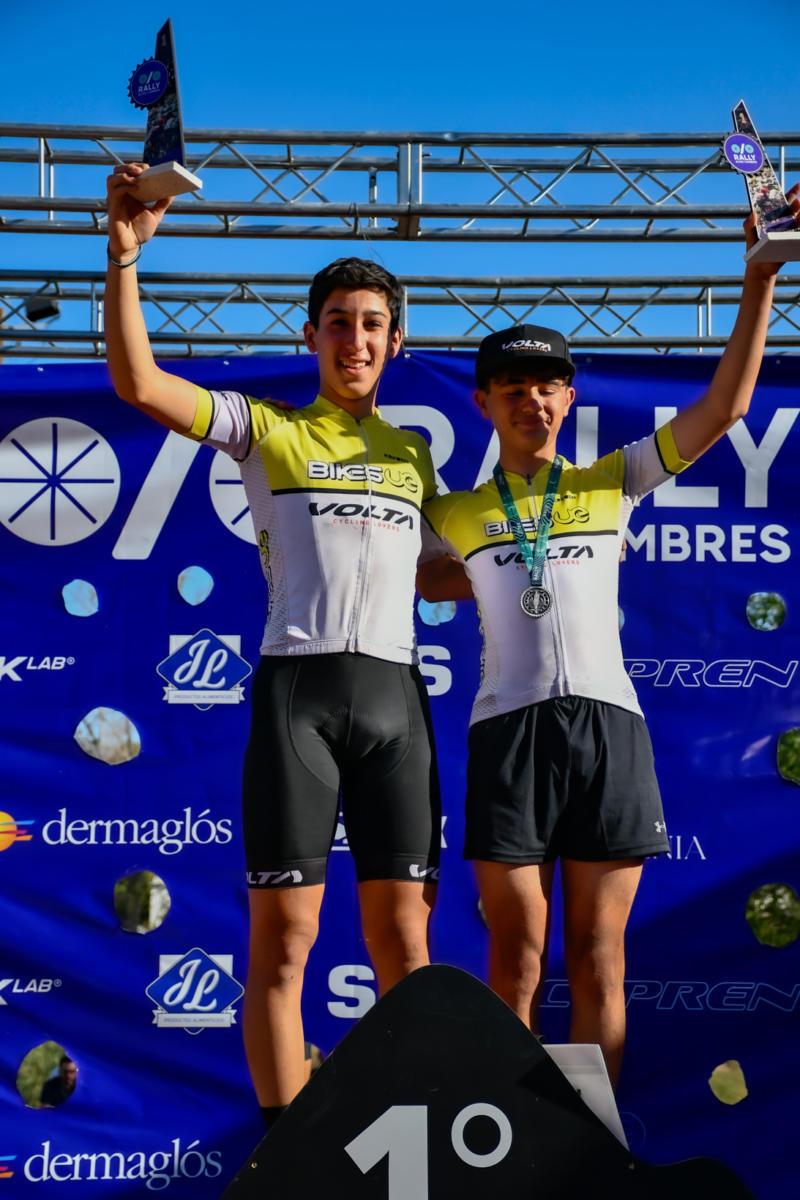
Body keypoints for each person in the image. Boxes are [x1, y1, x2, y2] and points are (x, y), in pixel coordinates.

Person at [419, 187, 800, 1087]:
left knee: (598, 958)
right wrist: (483, 578)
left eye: (548, 387)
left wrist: (759, 279)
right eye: (514, 390)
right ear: (483, 403)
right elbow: (410, 572)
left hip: (607, 729)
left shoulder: (612, 480)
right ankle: (509, 1142)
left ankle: (593, 1146)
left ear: (569, 397)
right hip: (507, 730)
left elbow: (726, 409)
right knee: (516, 959)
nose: (534, 402)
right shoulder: (458, 511)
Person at [104, 163, 442, 1128]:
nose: (355, 339)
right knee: (286, 941)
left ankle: (416, 1146)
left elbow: (443, 573)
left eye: (372, 325)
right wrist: (123, 258)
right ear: (310, 336)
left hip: (398, 705)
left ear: (395, 341)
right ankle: (284, 1148)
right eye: (338, 323)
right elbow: (139, 383)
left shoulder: (414, 454)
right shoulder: (269, 430)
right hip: (299, 700)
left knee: (406, 947)